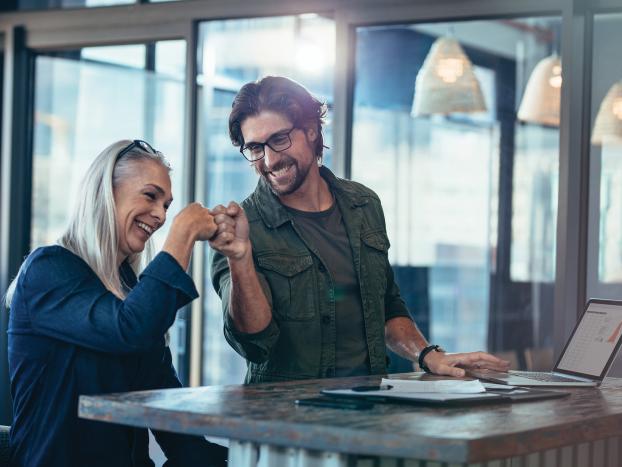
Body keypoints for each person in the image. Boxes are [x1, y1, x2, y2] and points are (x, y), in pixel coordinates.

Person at [209, 76, 510, 384]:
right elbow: (252, 343)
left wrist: (426, 354)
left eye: (280, 139)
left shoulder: (363, 205)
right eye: (256, 148)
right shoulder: (240, 231)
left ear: (311, 130)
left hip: (369, 411)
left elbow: (386, 304)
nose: (270, 159)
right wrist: (240, 258)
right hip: (283, 421)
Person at [5, 140, 227, 467]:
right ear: (105, 192)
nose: (161, 215)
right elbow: (129, 329)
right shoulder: (47, 270)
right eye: (150, 196)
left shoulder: (130, 292)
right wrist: (183, 233)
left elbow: (165, 404)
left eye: (167, 206)